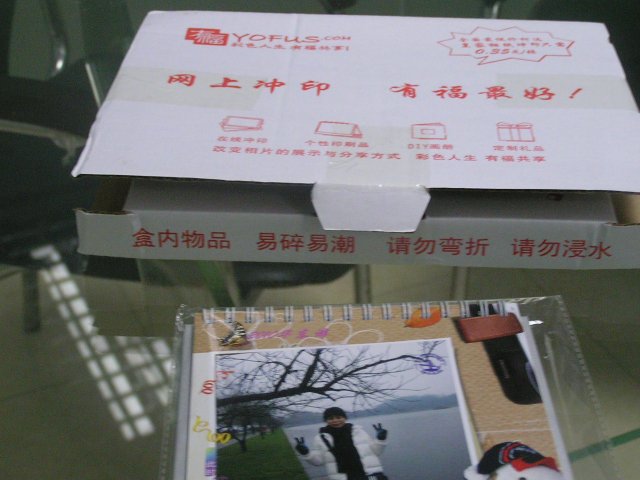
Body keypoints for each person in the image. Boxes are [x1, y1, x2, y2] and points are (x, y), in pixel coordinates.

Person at [294, 407, 389, 480]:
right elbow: (318, 462)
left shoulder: (359, 431)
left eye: (339, 417)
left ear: (345, 418)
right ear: (326, 420)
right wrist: (306, 454)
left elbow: (376, 452)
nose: (335, 420)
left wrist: (380, 440)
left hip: (370, 475)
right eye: (331, 418)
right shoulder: (321, 438)